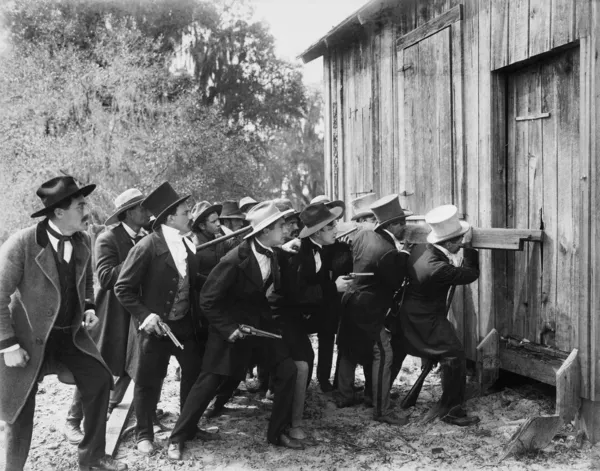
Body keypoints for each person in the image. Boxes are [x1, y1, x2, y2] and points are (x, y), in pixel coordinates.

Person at [0, 176, 126, 471]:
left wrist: (89, 307)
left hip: (69, 337)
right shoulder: (23, 243)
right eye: (81, 205)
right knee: (20, 413)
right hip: (27, 342)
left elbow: (86, 281)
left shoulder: (83, 240)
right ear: (59, 212)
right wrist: (7, 344)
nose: (87, 210)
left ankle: (92, 458)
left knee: (98, 380)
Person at [167, 201, 301, 460]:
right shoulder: (234, 260)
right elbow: (207, 298)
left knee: (287, 370)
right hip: (229, 328)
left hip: (258, 327)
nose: (286, 229)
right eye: (281, 226)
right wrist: (228, 329)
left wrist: (287, 248)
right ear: (263, 232)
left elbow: (275, 267)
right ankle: (178, 437)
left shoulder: (273, 251)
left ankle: (277, 433)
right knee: (209, 382)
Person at [114, 182, 208, 454]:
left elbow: (189, 280)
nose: (190, 216)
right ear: (169, 218)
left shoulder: (186, 243)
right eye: (185, 212)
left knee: (194, 371)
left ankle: (187, 425)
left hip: (183, 325)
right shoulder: (147, 246)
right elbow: (122, 288)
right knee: (148, 380)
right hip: (155, 329)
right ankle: (144, 434)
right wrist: (146, 316)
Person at [65, 189, 150, 444]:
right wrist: (139, 254)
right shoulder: (107, 238)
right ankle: (72, 420)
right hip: (111, 314)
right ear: (129, 212)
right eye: (142, 207)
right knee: (96, 365)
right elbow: (106, 278)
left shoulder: (144, 237)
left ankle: (112, 407)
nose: (147, 212)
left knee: (129, 362)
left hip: (135, 311)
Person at [395, 204, 480, 426]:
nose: (460, 244)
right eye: (459, 241)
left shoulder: (421, 249)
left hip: (416, 312)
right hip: (424, 319)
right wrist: (470, 249)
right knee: (454, 356)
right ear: (449, 243)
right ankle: (452, 411)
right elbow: (470, 274)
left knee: (447, 353)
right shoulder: (437, 268)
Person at [275, 202, 351, 441]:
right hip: (284, 316)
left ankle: (295, 412)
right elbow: (298, 294)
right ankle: (290, 420)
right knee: (303, 363)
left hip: (305, 314)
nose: (336, 230)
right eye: (331, 226)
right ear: (317, 232)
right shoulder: (299, 252)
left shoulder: (320, 248)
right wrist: (332, 287)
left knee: (306, 361)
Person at [338, 194, 413, 425]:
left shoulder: (362, 234)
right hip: (370, 310)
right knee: (384, 353)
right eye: (403, 223)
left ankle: (345, 396)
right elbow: (395, 282)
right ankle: (381, 409)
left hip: (350, 299)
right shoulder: (390, 252)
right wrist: (405, 255)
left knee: (347, 348)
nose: (406, 227)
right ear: (393, 225)